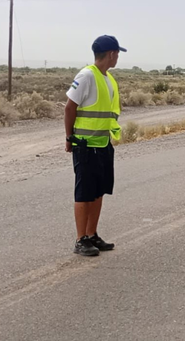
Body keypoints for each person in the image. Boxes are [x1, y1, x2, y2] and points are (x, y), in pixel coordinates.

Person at [64, 35, 126, 257]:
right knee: (84, 192)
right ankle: (81, 239)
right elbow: (69, 107)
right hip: (85, 144)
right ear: (111, 53)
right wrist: (69, 137)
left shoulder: (108, 78)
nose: (118, 57)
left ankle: (92, 235)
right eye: (117, 53)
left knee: (99, 190)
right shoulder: (87, 75)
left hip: (102, 143)